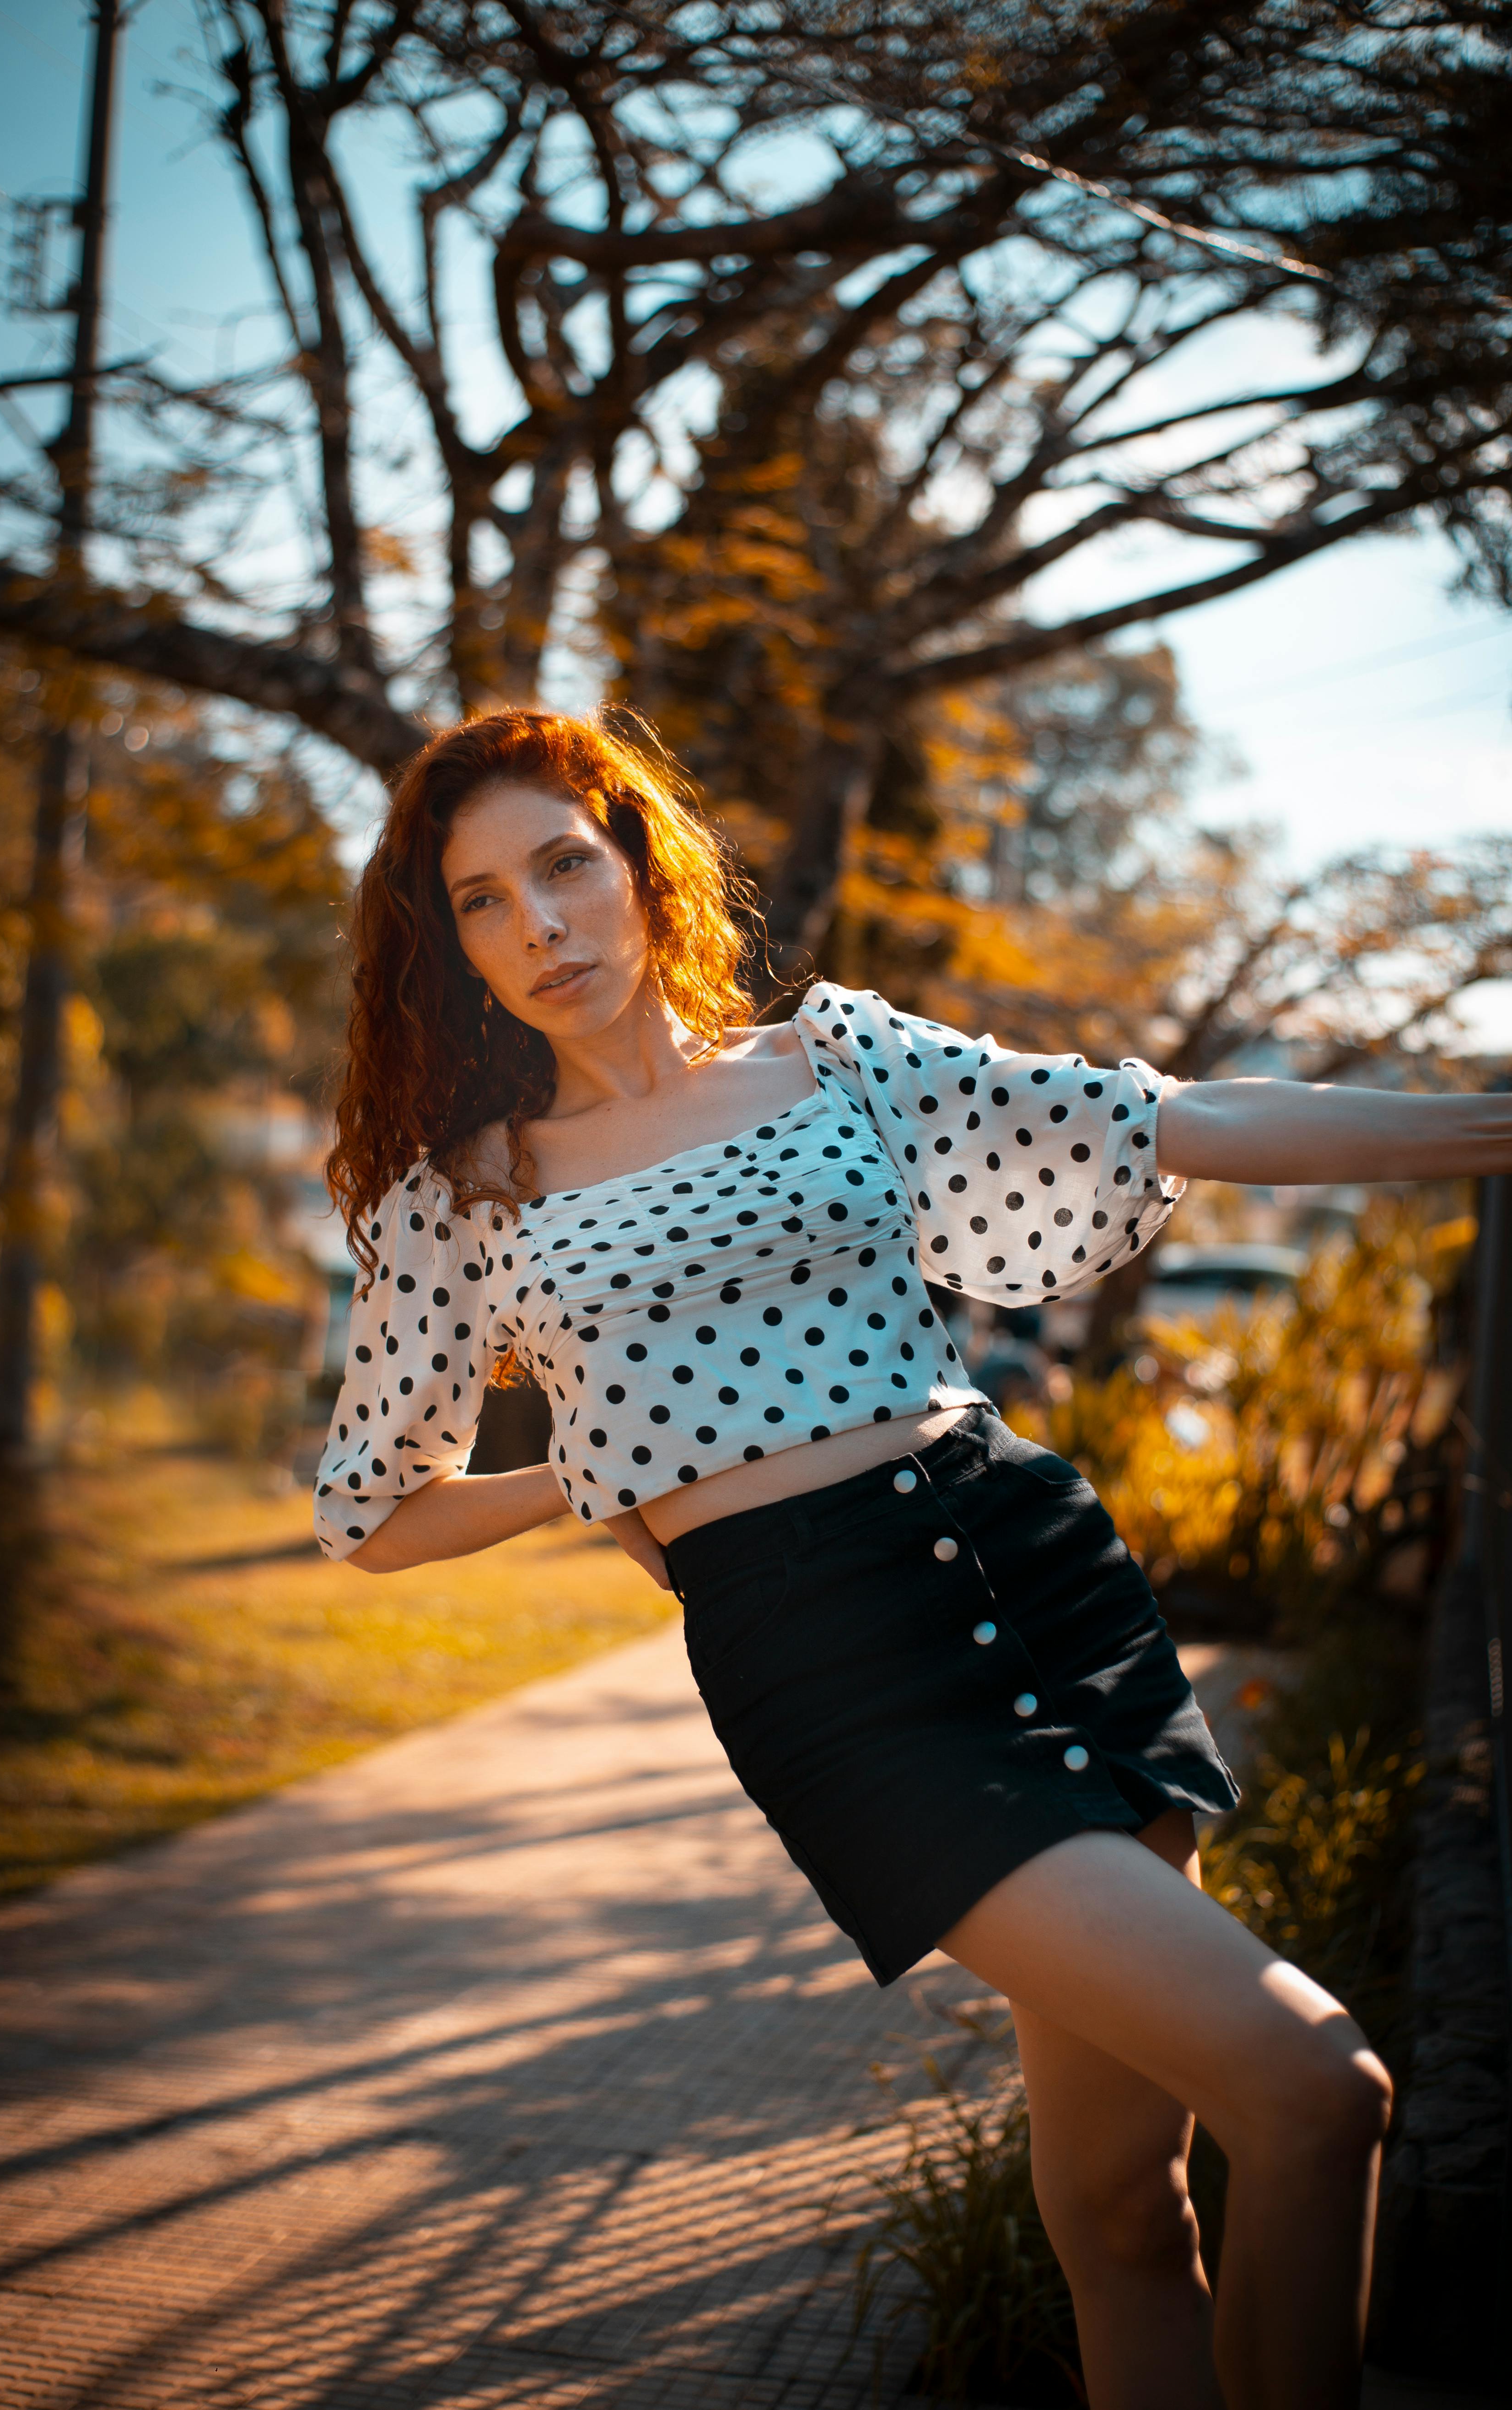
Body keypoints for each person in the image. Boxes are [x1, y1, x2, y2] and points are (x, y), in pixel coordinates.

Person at [315, 707, 1511, 2410]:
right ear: (452, 951)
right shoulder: (471, 1196)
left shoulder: (842, 1061)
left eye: (565, 865)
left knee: (1123, 2197)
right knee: (1320, 2088)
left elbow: (1176, 1114)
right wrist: (586, 1475)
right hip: (837, 1664)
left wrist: (1491, 1127)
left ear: (641, 861)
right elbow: (372, 1510)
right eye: (483, 904)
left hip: (1040, 1566)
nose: (543, 928)